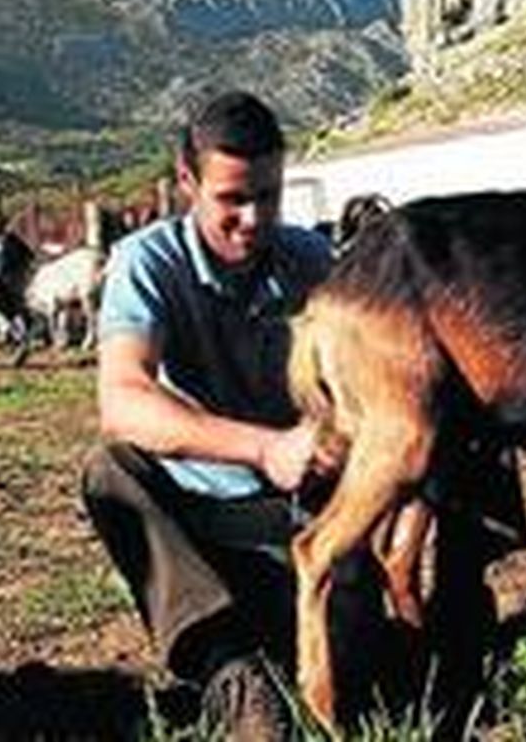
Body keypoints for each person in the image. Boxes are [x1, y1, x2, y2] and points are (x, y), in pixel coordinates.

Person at [79, 91, 358, 738]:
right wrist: (267, 449)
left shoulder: (314, 262)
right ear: (186, 183)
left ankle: (455, 607)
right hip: (201, 524)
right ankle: (230, 669)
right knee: (109, 469)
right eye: (233, 199)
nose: (254, 218)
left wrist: (336, 437)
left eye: (269, 195)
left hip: (307, 509)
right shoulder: (146, 262)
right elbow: (122, 399)